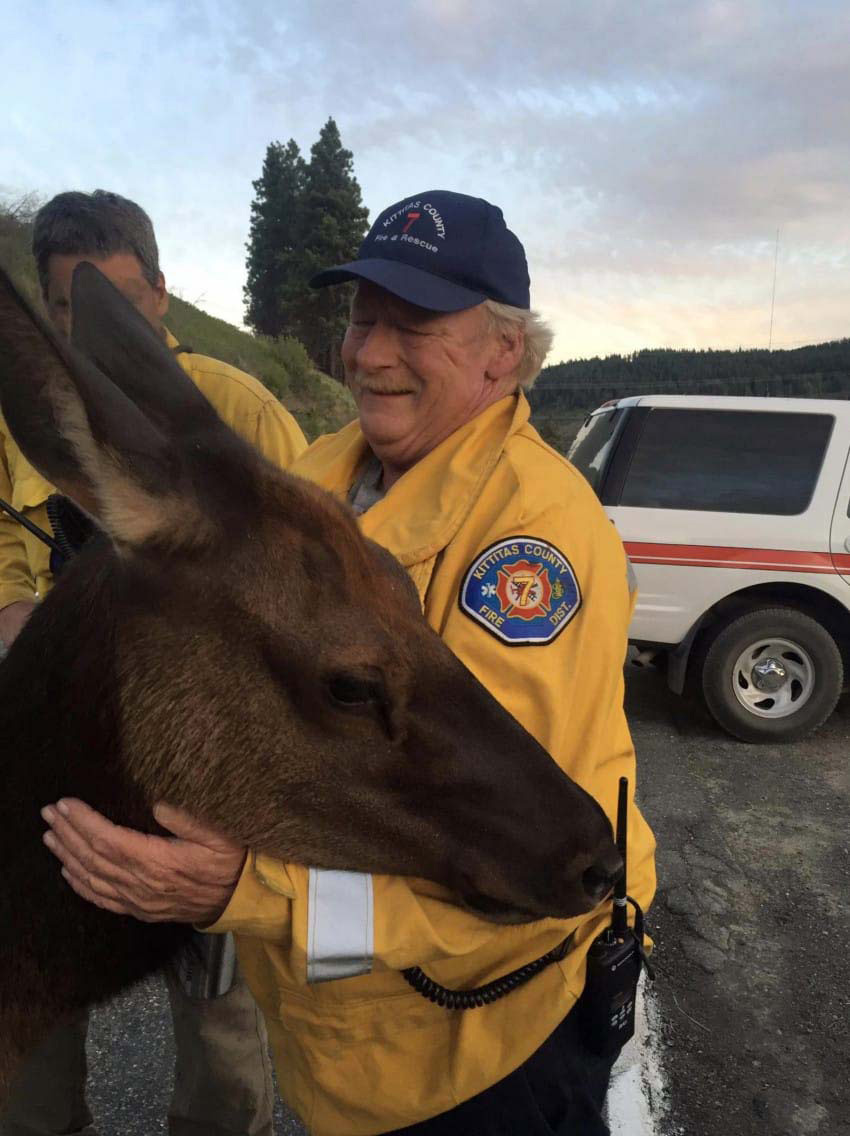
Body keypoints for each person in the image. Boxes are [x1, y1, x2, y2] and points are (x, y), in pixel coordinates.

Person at [40, 190, 656, 1135]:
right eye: (363, 316)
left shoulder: (536, 539)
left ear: (505, 351)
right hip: (344, 1052)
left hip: (476, 1051)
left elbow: (506, 837)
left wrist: (242, 890)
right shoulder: (322, 476)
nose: (368, 352)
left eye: (414, 324)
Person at [1, 190, 307, 1136]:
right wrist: (16, 615)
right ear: (50, 315)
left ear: (163, 295)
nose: (102, 322)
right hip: (55, 765)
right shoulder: (24, 415)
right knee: (31, 992)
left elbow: (318, 562)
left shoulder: (240, 408)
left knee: (220, 1007)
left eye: (123, 297)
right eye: (72, 304)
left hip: (208, 775)